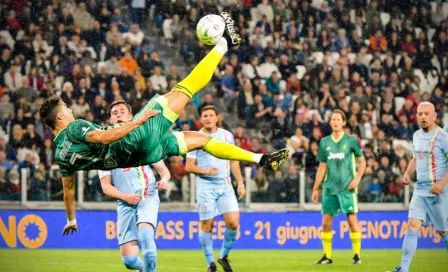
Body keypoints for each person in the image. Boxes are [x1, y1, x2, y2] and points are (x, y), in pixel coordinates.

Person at [39, 13, 288, 235]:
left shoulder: (61, 156)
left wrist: (71, 219)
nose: (71, 111)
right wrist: (138, 122)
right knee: (185, 87)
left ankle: (262, 159)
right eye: (67, 110)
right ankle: (224, 44)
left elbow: (69, 192)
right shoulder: (73, 128)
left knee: (203, 141)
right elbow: (105, 137)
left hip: (143, 156)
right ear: (60, 118)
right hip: (134, 140)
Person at [98, 102, 171, 272]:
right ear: (110, 119)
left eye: (122, 111)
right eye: (114, 112)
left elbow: (164, 171)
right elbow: (106, 187)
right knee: (130, 261)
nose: (118, 114)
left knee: (146, 235)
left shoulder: (143, 140)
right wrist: (126, 197)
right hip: (125, 203)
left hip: (147, 195)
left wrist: (165, 180)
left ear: (130, 117)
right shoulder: (104, 150)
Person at [387, 102, 448, 272]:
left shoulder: (443, 137)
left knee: (444, 233)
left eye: (426, 114)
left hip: (439, 192)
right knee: (412, 225)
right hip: (420, 190)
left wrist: (442, 184)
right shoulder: (416, 136)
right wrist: (407, 172)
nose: (423, 117)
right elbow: (416, 158)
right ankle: (403, 269)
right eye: (420, 114)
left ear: (434, 116)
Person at [186, 105, 245, 272]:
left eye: (211, 115)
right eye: (205, 115)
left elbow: (234, 160)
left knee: (233, 223)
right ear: (201, 118)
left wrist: (240, 182)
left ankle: (223, 257)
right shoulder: (195, 138)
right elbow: (189, 166)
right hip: (205, 187)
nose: (208, 118)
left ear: (217, 117)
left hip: (225, 186)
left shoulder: (227, 136)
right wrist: (205, 171)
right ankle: (210, 264)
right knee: (207, 225)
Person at [311, 109, 366, 265]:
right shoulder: (324, 142)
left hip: (347, 188)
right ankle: (327, 256)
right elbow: (322, 166)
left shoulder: (351, 140)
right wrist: (316, 188)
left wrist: (357, 178)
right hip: (329, 189)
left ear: (344, 122)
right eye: (333, 119)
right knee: (326, 223)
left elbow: (363, 161)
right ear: (330, 123)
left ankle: (356, 255)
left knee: (352, 221)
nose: (335, 122)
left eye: (338, 119)